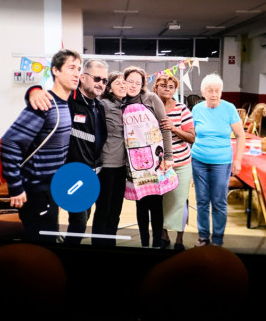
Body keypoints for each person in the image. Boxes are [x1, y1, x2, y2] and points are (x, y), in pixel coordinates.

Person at [0, 49, 81, 242]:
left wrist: (33, 90)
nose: (77, 73)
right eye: (71, 68)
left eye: (79, 69)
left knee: (48, 239)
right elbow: (10, 143)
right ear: (56, 71)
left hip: (51, 188)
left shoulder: (65, 104)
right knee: (38, 246)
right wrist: (16, 187)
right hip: (36, 191)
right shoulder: (45, 104)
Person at [28, 59, 109, 243]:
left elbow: (99, 138)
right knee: (79, 221)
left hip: (90, 172)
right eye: (97, 78)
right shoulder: (66, 101)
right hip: (68, 172)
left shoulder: (99, 107)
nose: (101, 84)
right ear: (83, 77)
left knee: (83, 218)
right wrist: (34, 90)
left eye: (104, 80)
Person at [190, 73, 246, 247]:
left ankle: (217, 240)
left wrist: (237, 160)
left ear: (221, 91)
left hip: (221, 162)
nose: (214, 94)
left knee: (219, 201)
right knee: (202, 200)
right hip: (198, 160)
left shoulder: (229, 108)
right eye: (210, 90)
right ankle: (203, 237)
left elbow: (240, 135)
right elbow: (191, 134)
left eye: (217, 90)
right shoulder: (197, 109)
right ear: (203, 92)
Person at [122, 66, 173, 248]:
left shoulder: (152, 98)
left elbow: (165, 127)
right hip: (133, 163)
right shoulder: (120, 101)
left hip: (156, 160)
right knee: (141, 205)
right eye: (130, 81)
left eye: (138, 82)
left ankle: (157, 243)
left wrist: (168, 156)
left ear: (143, 84)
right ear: (124, 81)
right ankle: (144, 244)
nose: (133, 85)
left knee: (156, 204)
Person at [153, 74, 195, 252]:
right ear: (155, 88)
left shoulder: (182, 109)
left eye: (171, 87)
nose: (167, 89)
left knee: (180, 201)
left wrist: (174, 127)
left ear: (175, 90)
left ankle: (179, 238)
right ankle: (164, 236)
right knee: (160, 202)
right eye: (163, 85)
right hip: (158, 165)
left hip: (181, 163)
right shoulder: (149, 108)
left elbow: (192, 137)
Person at [91, 71, 129, 241]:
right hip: (106, 164)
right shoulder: (103, 105)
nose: (122, 85)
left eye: (124, 82)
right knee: (103, 208)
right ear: (110, 89)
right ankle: (99, 244)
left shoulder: (128, 107)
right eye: (117, 83)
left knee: (116, 209)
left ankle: (110, 242)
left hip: (122, 165)